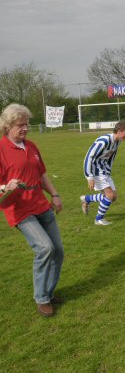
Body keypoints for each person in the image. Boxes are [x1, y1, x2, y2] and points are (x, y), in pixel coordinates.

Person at [0, 104, 64, 317]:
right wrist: (5, 187)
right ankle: (42, 298)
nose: (26, 128)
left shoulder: (32, 146)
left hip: (41, 205)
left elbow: (42, 174)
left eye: (27, 124)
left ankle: (49, 291)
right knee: (45, 248)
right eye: (21, 125)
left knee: (58, 251)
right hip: (19, 210)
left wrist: (54, 195)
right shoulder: (0, 150)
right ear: (8, 126)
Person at [80, 121, 125, 226]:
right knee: (109, 195)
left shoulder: (117, 141)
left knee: (114, 197)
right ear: (119, 131)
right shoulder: (104, 141)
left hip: (104, 171)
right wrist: (89, 176)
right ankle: (98, 219)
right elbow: (89, 157)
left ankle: (86, 199)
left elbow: (111, 156)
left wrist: (108, 169)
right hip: (96, 170)